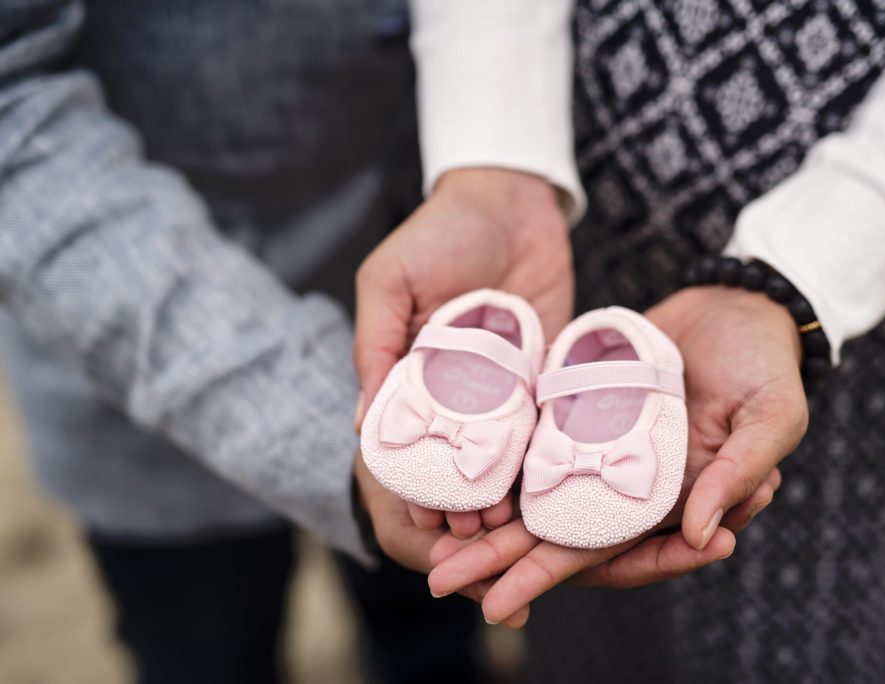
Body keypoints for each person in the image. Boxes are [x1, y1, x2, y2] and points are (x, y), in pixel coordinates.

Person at [355, 0, 885, 681]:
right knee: (589, 643)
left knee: (852, 630)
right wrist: (495, 156)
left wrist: (809, 267)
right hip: (571, 209)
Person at [0, 1, 510, 682]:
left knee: (435, 643)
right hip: (145, 365)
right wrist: (326, 429)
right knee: (207, 655)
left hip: (458, 329)